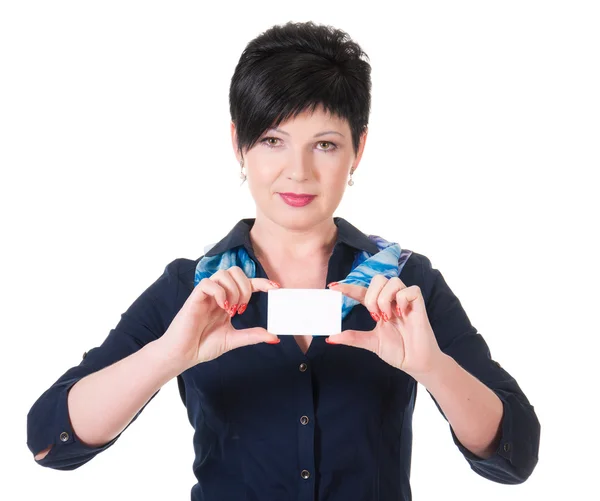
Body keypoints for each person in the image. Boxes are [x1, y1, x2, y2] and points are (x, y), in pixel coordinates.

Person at [26, 20, 540, 501]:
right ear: (239, 144)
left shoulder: (406, 283)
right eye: (273, 140)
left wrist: (432, 367)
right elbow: (51, 438)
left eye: (325, 144)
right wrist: (167, 357)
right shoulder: (193, 286)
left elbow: (516, 453)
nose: (298, 172)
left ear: (358, 150)